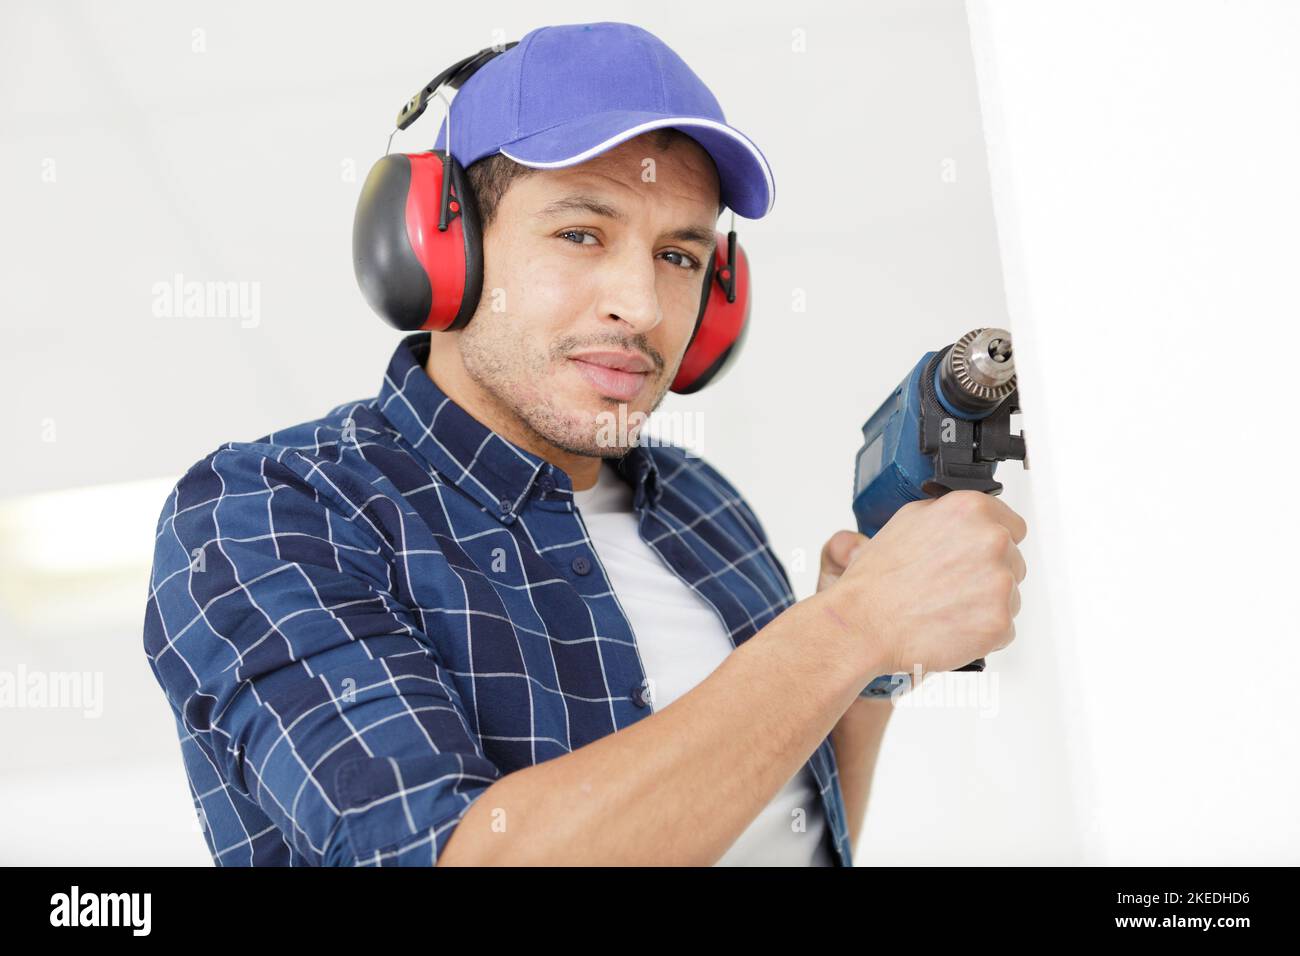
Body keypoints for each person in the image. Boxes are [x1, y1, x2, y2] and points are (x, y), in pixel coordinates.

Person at [142, 21, 1026, 867]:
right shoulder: (267, 511)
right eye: (579, 234)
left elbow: (790, 832)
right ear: (440, 245)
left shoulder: (705, 506)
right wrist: (845, 630)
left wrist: (867, 674)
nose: (640, 307)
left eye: (679, 256)